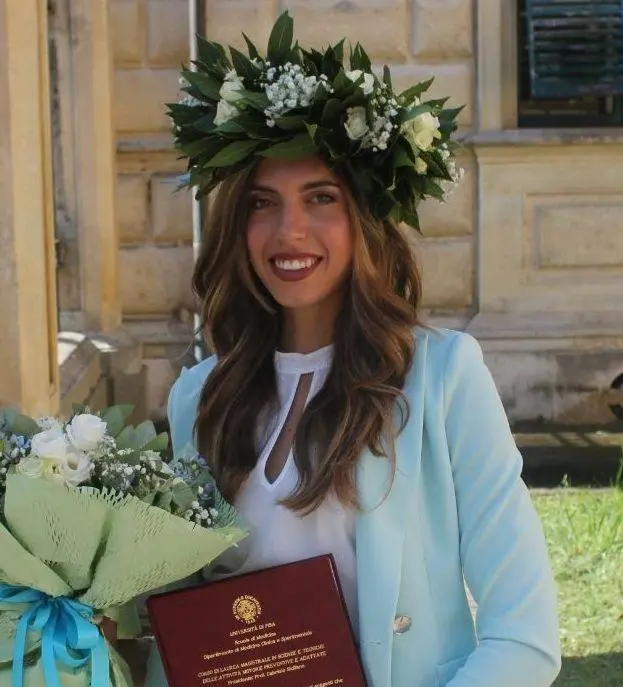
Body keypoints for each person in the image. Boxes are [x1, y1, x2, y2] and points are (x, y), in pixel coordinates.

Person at [146, 12, 561, 687]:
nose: (289, 230)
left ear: (365, 220)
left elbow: (524, 634)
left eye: (321, 197)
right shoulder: (199, 396)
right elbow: (183, 631)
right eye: (260, 202)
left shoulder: (441, 377)